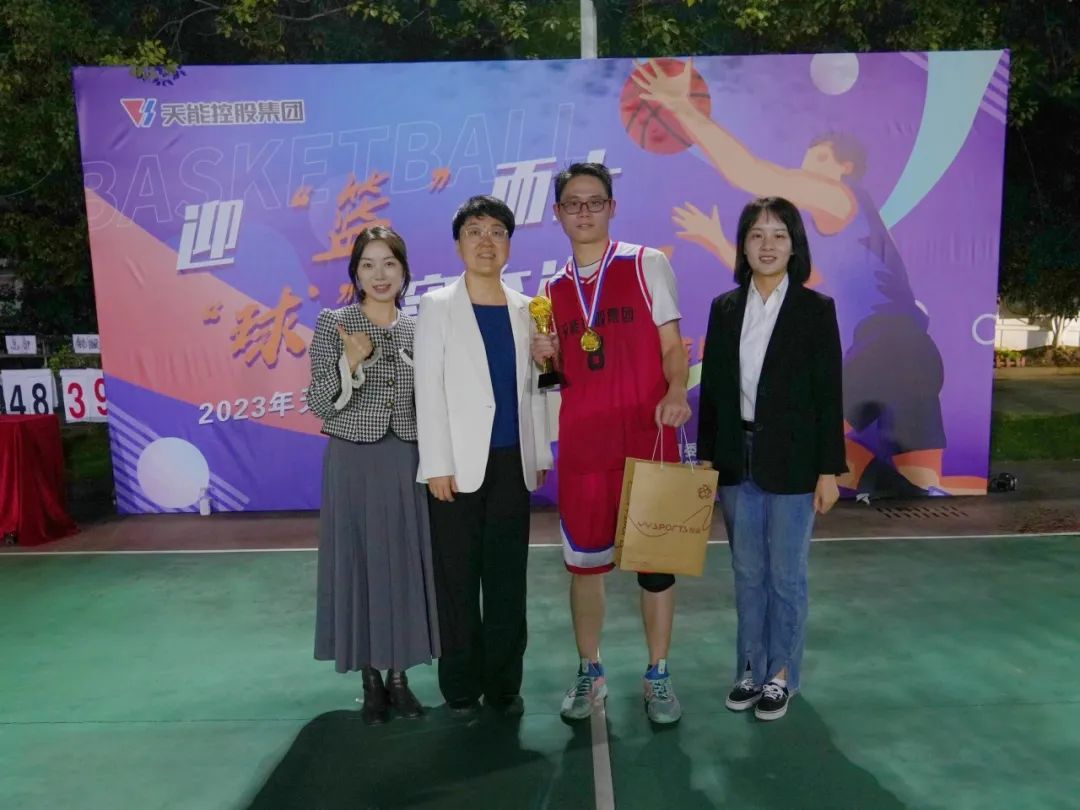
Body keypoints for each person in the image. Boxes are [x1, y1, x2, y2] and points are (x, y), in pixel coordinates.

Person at [634, 58, 984, 496]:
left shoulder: (840, 197)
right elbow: (786, 283)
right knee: (923, 486)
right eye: (805, 156)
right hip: (916, 354)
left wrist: (681, 107)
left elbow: (750, 173)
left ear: (845, 168)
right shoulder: (844, 231)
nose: (804, 166)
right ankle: (930, 492)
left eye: (819, 157)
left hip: (885, 346)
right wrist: (717, 241)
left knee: (795, 436)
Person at [531, 163, 692, 725]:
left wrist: (676, 391)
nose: (584, 212)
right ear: (557, 213)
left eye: (594, 201)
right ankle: (590, 669)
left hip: (649, 436)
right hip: (585, 445)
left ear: (612, 207)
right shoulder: (550, 293)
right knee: (585, 566)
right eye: (572, 203)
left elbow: (673, 347)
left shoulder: (646, 264)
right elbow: (554, 375)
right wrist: (544, 355)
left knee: (657, 565)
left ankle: (658, 674)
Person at [697, 197, 846, 721]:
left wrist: (828, 471)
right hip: (736, 459)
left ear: (794, 246)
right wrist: (708, 464)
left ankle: (781, 675)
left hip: (795, 463)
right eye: (756, 235)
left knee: (786, 576)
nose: (767, 245)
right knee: (746, 572)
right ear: (742, 246)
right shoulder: (724, 308)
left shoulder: (815, 310)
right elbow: (714, 393)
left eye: (779, 235)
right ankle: (749, 669)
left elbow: (829, 395)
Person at [414, 195, 553, 717]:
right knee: (455, 580)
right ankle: (459, 685)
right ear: (459, 244)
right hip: (455, 469)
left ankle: (503, 683)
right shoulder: (437, 306)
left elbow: (538, 388)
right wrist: (437, 464)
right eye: (475, 231)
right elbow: (427, 389)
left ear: (509, 243)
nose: (486, 241)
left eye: (497, 231)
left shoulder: (528, 308)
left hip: (513, 463)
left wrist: (541, 449)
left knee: (506, 580)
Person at [307, 226, 439, 725]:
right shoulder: (334, 322)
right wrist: (349, 361)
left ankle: (400, 679)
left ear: (404, 271)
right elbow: (317, 401)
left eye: (389, 263)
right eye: (368, 264)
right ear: (355, 273)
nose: (379, 274)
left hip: (406, 458)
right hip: (353, 461)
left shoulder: (420, 327)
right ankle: (369, 680)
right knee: (359, 563)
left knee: (403, 563)